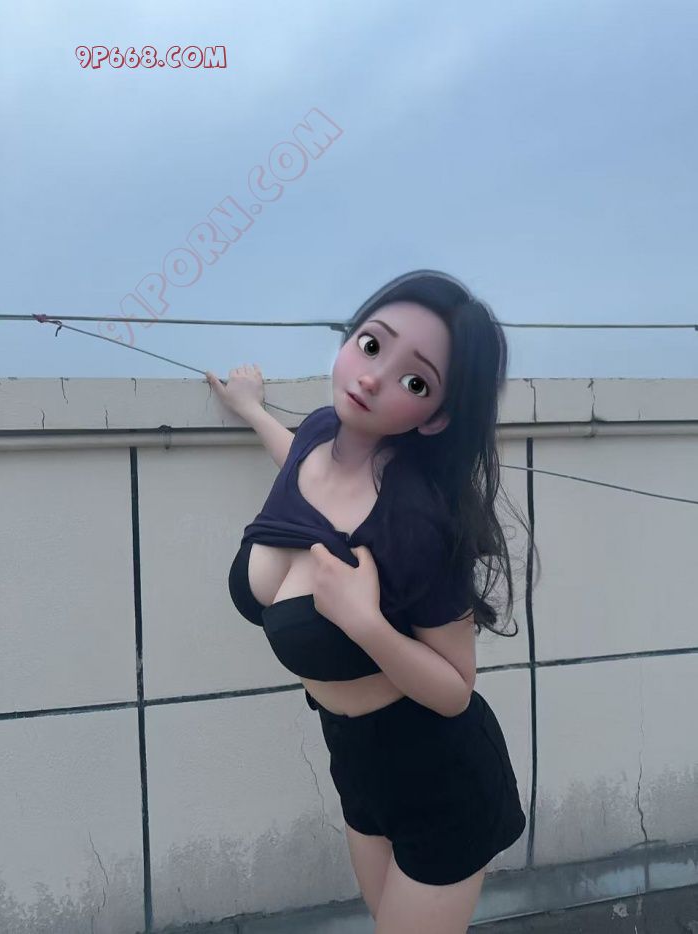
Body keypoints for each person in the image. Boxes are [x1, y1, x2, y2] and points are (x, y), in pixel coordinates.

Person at [206, 270, 539, 933]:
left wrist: (364, 623)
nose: (373, 378)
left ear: (436, 415)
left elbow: (456, 689)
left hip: (438, 776)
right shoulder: (318, 437)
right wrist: (252, 410)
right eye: (370, 344)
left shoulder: (417, 520)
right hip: (355, 763)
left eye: (415, 382)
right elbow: (299, 466)